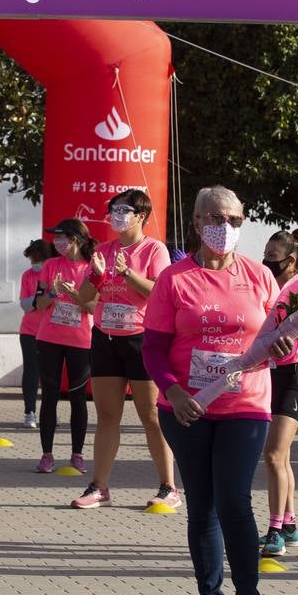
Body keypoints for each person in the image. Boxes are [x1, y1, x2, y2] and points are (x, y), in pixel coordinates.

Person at [142, 186, 290, 595]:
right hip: (186, 408)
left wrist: (282, 346)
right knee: (201, 507)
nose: (226, 228)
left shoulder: (260, 276)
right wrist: (174, 390)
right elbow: (152, 347)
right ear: (198, 219)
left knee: (233, 502)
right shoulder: (174, 278)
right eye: (217, 218)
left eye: (235, 219)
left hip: (244, 405)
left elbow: (277, 335)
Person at [70, 189, 178, 510]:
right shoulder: (103, 249)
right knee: (106, 416)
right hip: (105, 337)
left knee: (151, 416)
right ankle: (98, 486)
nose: (116, 215)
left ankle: (168, 486)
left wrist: (128, 273)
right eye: (114, 209)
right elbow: (84, 294)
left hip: (141, 338)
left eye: (124, 210)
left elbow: (160, 291)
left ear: (140, 216)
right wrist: (98, 274)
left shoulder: (154, 249)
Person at [258, 228, 298, 557]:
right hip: (273, 377)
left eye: (273, 257)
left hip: (294, 377)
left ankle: (275, 530)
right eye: (265, 256)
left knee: (272, 456)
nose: (266, 262)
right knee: (282, 458)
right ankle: (290, 524)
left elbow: (293, 341)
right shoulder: (272, 289)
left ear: (291, 260)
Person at [32, 218, 96, 474]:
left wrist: (75, 296)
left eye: (62, 238)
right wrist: (53, 294)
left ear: (77, 240)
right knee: (49, 396)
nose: (58, 243)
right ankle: (46, 455)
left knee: (77, 397)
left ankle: (77, 455)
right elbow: (38, 304)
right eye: (55, 238)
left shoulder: (92, 268)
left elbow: (94, 308)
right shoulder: (50, 266)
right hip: (49, 338)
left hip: (81, 341)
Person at [17, 239, 51, 428]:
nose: (34, 264)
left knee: (49, 374)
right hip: (29, 331)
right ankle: (29, 412)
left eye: (38, 260)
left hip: (51, 331)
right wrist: (38, 298)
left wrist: (44, 298)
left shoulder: (55, 273)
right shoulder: (27, 276)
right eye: (32, 260)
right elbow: (25, 305)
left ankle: (48, 412)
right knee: (31, 371)